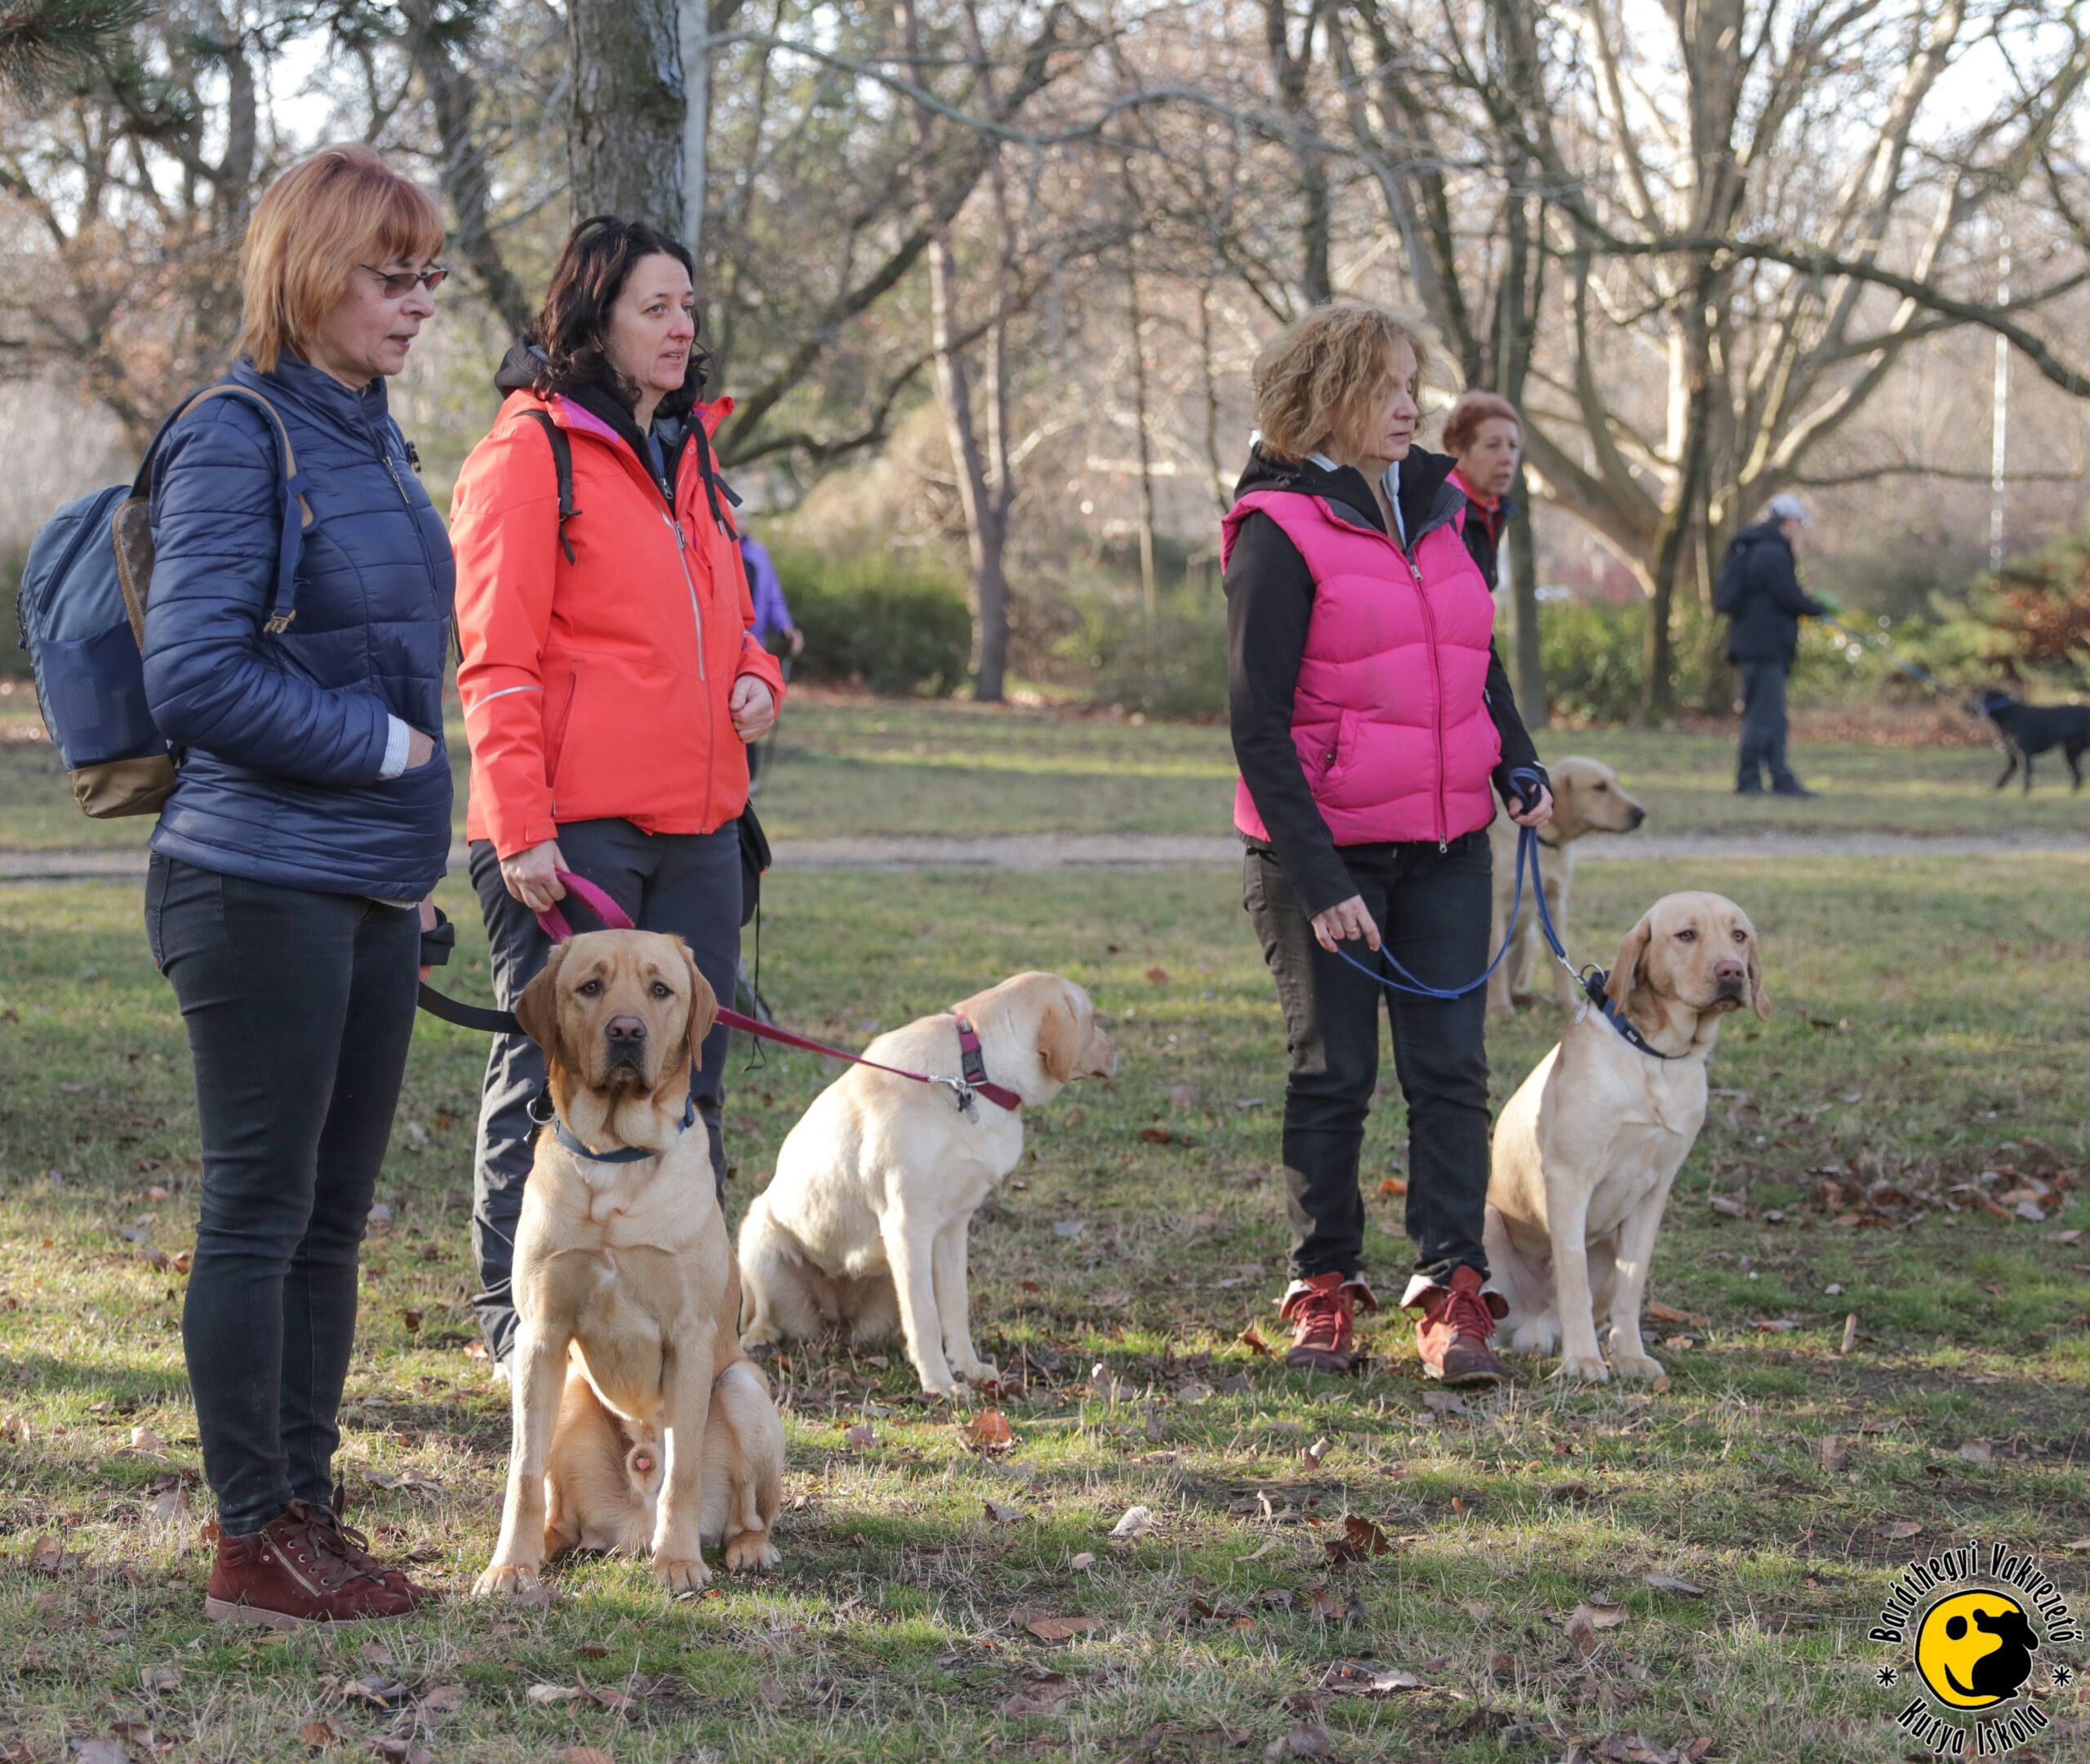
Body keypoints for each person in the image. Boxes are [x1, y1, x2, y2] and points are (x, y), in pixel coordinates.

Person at [140, 144, 452, 1625]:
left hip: (364, 889)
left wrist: (407, 873)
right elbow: (193, 668)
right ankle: (249, 1532)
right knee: (262, 1210)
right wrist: (378, 748)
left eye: (427, 275)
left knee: (333, 1218)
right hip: (253, 879)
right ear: (310, 273)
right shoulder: (237, 432)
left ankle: (308, 1510)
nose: (417, 303)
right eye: (390, 276)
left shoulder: (371, 434)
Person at [450, 216, 785, 1373]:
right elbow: (493, 658)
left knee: (694, 1069)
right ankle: (517, 1326)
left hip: (701, 825)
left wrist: (756, 676)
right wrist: (523, 825)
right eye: (657, 306)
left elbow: (742, 621)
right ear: (593, 317)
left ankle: (691, 1322)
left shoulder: (690, 454)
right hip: (573, 830)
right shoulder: (526, 454)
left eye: (689, 306)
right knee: (547, 1070)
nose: (682, 326)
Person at [1226, 302, 1553, 1385]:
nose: (1412, 404)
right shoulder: (1279, 525)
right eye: (1385, 386)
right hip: (1320, 852)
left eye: (1414, 380)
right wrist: (1322, 881)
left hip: (1450, 841)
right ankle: (1324, 1288)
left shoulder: (1442, 502)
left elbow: (1473, 655)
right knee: (1335, 1073)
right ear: (1326, 399)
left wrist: (1517, 758)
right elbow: (1256, 723)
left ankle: (1455, 1289)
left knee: (1451, 1071)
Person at [1723, 491, 1836, 798]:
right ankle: (1749, 780)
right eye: (1799, 523)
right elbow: (1786, 596)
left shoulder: (1758, 548)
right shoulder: (1770, 551)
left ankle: (1779, 776)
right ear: (1787, 521)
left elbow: (1775, 594)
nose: (1799, 529)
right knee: (1762, 716)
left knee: (1771, 716)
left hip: (1759, 647)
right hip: (1764, 648)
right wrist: (1815, 607)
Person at [739, 531, 800, 793]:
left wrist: (787, 627)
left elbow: (773, 596)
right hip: (723, 643)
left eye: (743, 517)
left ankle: (750, 777)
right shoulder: (717, 541)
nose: (740, 522)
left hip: (754, 645)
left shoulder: (759, 554)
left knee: (751, 706)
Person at [1442, 391, 1521, 591]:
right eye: (1492, 446)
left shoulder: (1493, 511)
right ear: (1457, 452)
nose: (1507, 458)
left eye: (1513, 446)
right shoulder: (1439, 514)